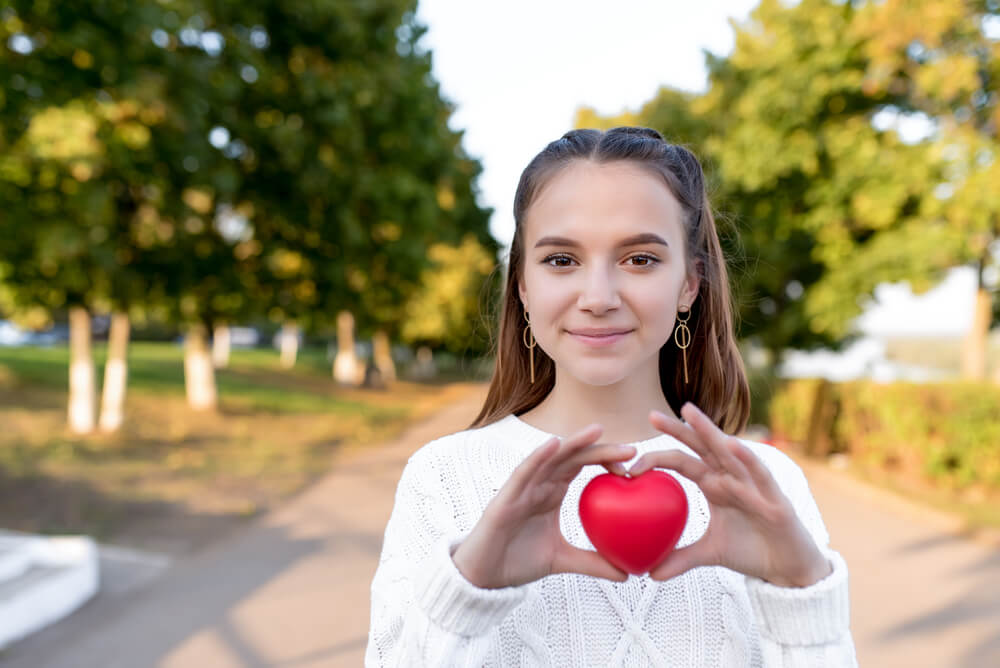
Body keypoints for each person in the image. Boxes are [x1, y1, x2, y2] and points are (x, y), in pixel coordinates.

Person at [365, 127, 858, 666]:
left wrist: (799, 596)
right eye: (561, 260)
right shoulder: (443, 480)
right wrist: (465, 593)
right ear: (523, 287)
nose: (598, 298)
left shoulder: (767, 487)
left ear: (690, 284)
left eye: (640, 259)